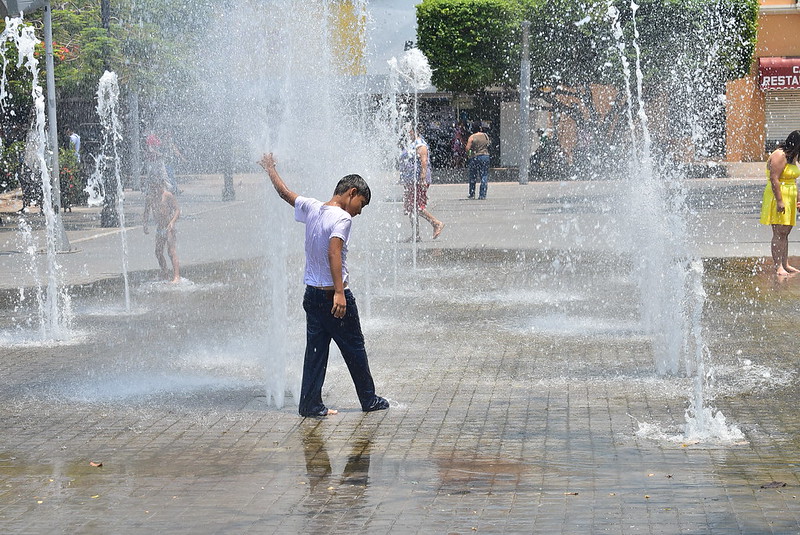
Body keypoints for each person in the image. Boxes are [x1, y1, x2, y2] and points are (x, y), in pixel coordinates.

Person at [258, 152, 389, 418]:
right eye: (361, 204)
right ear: (351, 193)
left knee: (316, 351)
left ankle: (310, 405)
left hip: (312, 296)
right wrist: (340, 293)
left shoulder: (313, 207)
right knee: (355, 347)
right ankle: (369, 399)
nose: (360, 211)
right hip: (333, 297)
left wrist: (270, 169)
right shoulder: (342, 218)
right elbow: (334, 252)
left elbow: (285, 193)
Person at [760, 130, 800, 276]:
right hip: (778, 196)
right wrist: (780, 201)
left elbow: (793, 180)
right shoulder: (779, 155)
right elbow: (774, 179)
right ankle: (778, 266)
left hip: (789, 196)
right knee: (779, 232)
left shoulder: (792, 156)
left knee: (786, 232)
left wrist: (798, 199)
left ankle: (785, 263)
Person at [402, 127, 445, 241]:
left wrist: (422, 176)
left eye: (408, 130)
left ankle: (436, 223)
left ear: (415, 131)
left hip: (418, 180)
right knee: (411, 207)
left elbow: (424, 160)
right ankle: (415, 235)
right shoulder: (410, 143)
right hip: (410, 180)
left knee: (418, 207)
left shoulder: (420, 143)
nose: (406, 132)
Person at [143, 180, 181, 283]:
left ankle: (176, 276)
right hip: (160, 228)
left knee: (171, 251)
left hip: (168, 227)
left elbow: (177, 210)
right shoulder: (150, 198)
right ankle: (165, 273)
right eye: (153, 187)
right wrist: (145, 224)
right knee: (158, 252)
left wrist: (172, 222)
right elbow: (146, 212)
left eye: (158, 186)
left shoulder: (167, 195)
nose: (156, 189)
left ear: (162, 185)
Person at [466, 121, 491, 199]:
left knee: (473, 176)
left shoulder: (472, 137)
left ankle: (472, 194)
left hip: (475, 157)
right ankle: (482, 195)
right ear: (480, 128)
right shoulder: (485, 135)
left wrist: (469, 154)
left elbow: (467, 148)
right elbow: (488, 144)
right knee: (484, 175)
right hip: (485, 156)